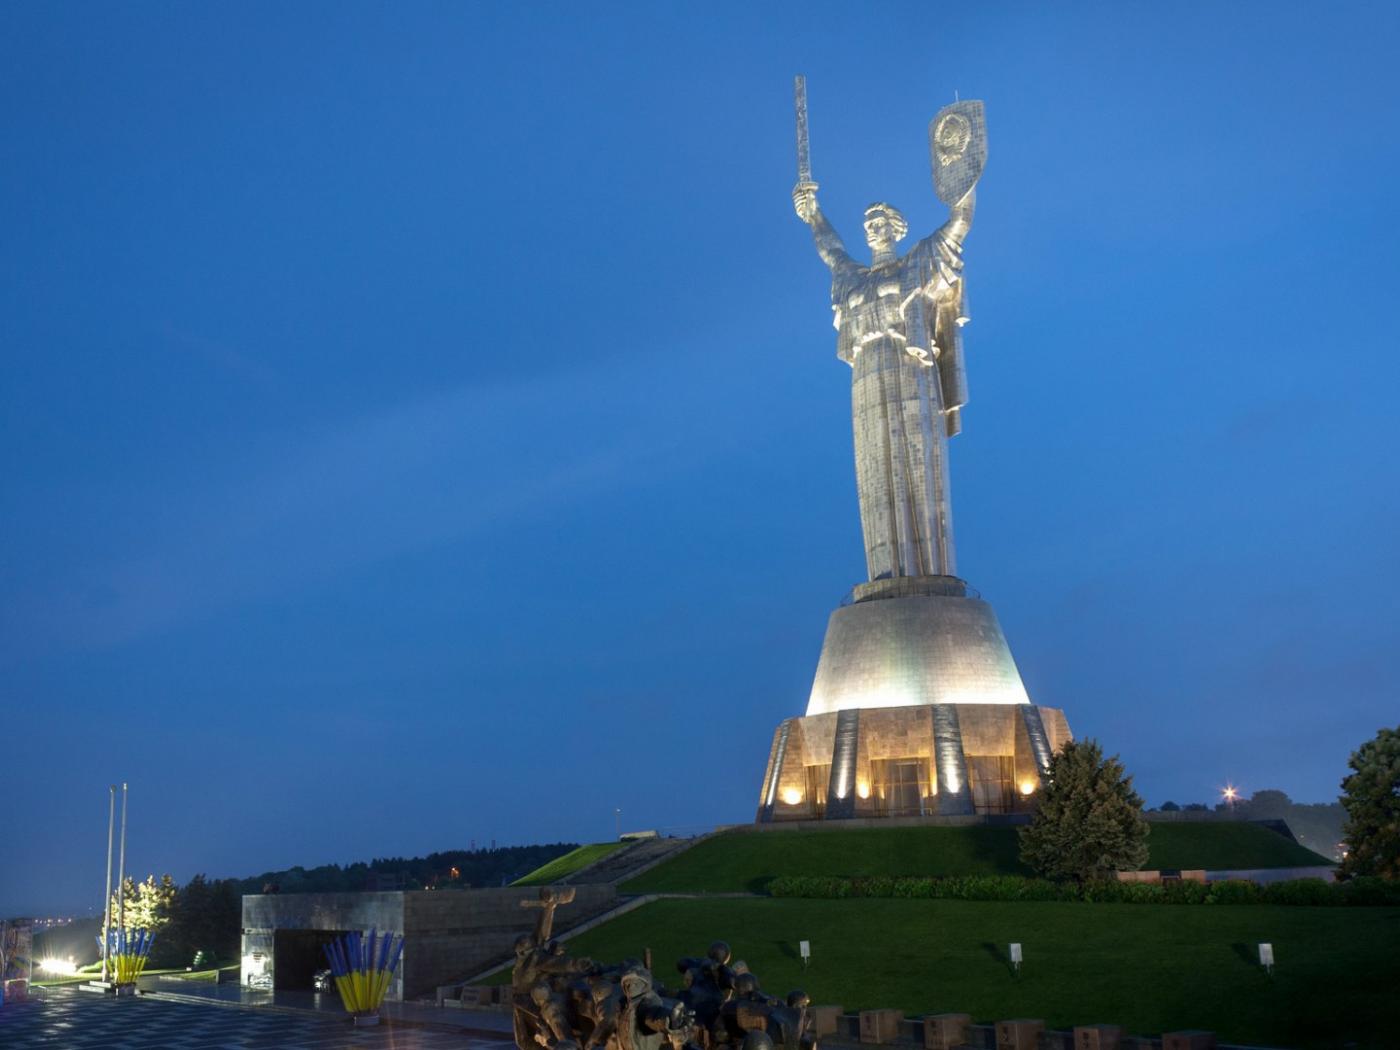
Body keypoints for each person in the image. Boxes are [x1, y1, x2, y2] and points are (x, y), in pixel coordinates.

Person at [792, 182, 976, 582]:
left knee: (916, 462)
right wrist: (813, 215)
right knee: (875, 472)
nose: (873, 229)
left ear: (897, 228)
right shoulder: (853, 279)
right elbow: (831, 251)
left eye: (880, 222)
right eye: (868, 224)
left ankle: (930, 571)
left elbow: (959, 224)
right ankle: (884, 576)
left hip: (911, 370)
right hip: (866, 378)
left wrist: (962, 176)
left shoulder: (916, 265)